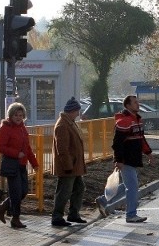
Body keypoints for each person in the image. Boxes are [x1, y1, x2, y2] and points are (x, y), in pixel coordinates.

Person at [96, 95, 152, 223]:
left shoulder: (137, 120)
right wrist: (118, 160)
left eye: (138, 102)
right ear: (128, 106)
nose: (138, 104)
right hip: (126, 160)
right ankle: (131, 215)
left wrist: (148, 153)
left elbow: (141, 139)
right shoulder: (124, 122)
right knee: (132, 187)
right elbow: (117, 143)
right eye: (135, 102)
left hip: (133, 159)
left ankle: (103, 200)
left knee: (130, 185)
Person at [0, 102, 39, 229]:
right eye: (16, 115)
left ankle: (2, 207)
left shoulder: (22, 128)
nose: (18, 117)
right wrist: (15, 154)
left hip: (22, 164)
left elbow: (28, 148)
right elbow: (0, 147)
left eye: (21, 115)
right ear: (10, 115)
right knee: (16, 192)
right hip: (11, 164)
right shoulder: (6, 128)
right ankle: (15, 218)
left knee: (23, 191)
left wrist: (34, 163)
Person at [50, 97, 87, 227]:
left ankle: (73, 214)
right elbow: (62, 149)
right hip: (68, 167)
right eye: (77, 111)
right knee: (64, 192)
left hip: (74, 166)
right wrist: (68, 166)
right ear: (72, 111)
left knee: (79, 188)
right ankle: (57, 216)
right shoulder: (63, 125)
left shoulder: (69, 122)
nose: (78, 114)